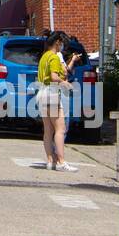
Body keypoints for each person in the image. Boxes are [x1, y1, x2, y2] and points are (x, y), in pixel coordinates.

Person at [37, 32, 80, 171]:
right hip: (52, 93)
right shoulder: (54, 57)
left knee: (48, 130)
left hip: (42, 93)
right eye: (61, 43)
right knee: (60, 129)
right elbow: (54, 76)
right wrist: (64, 82)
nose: (62, 46)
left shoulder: (44, 57)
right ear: (57, 42)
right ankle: (61, 162)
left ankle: (50, 161)